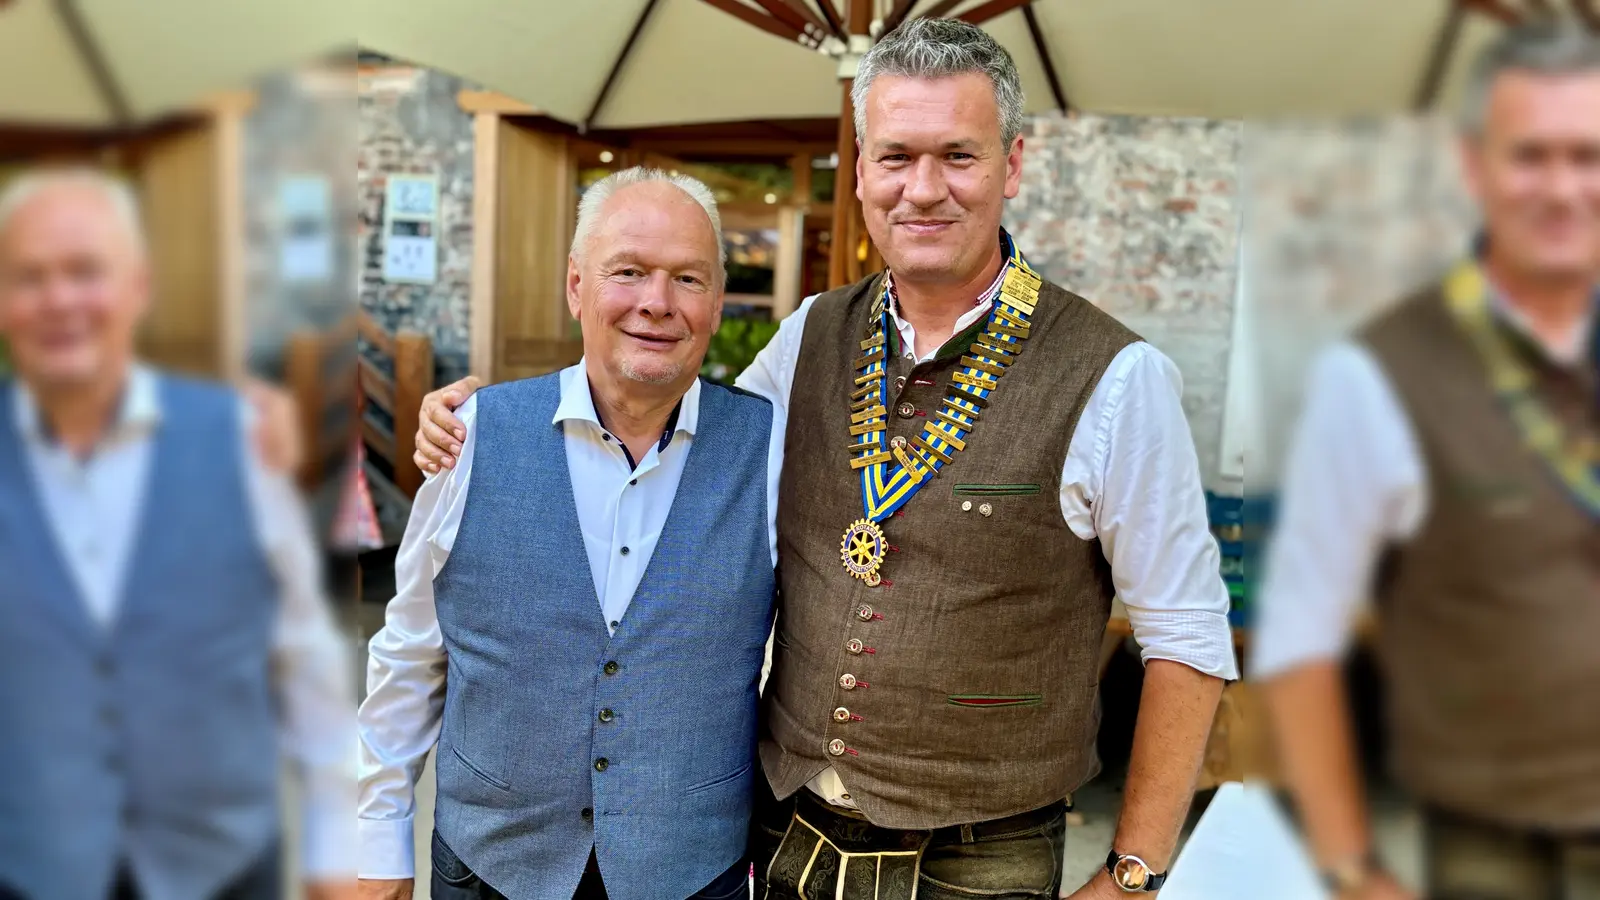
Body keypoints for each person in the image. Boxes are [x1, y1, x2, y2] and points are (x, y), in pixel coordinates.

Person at [414, 18, 1237, 898]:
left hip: (977, 859)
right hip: (786, 830)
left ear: (1013, 165)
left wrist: (1132, 874)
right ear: (861, 170)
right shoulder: (810, 333)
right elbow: (671, 426)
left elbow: (1186, 636)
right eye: (896, 156)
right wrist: (496, 423)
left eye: (958, 156)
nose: (923, 189)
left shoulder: (1117, 376)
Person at [357, 169, 778, 900]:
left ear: (716, 303)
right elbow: (411, 652)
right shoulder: (474, 434)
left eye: (688, 278)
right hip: (489, 867)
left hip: (691, 872)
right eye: (629, 272)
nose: (657, 302)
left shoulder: (771, 450)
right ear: (577, 286)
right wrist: (377, 841)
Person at [1253, 20, 1600, 900]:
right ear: (1474, 167)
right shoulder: (1380, 372)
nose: (1564, 188)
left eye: (1588, 156)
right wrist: (1352, 868)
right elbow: (1299, 632)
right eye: (1532, 156)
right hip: (1501, 846)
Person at [0, 169, 356, 900]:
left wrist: (338, 843)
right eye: (29, 277)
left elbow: (303, 654)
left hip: (222, 868)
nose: (59, 300)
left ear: (139, 287)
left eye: (85, 272)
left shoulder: (238, 438)